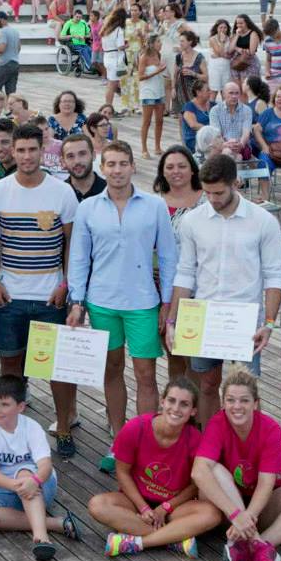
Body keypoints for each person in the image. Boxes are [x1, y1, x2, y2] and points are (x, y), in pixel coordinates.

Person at [68, 139, 177, 456]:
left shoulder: (154, 205)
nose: (117, 170)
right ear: (103, 168)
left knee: (146, 374)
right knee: (111, 370)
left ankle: (145, 442)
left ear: (132, 166)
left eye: (122, 163)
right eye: (111, 164)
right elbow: (79, 258)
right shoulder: (88, 208)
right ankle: (119, 441)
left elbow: (168, 257)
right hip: (101, 301)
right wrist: (77, 300)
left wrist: (167, 303)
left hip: (143, 302)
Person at [166, 152, 281, 427]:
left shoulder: (263, 220)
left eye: (219, 192)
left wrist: (269, 323)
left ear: (236, 183)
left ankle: (247, 451)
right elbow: (185, 272)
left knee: (246, 390)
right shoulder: (192, 221)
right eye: (207, 192)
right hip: (204, 315)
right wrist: (173, 320)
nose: (213, 199)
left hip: (246, 319)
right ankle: (210, 445)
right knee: (207, 385)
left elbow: (274, 276)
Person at [0, 123, 80, 451]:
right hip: (9, 294)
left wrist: (65, 283)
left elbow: (70, 243)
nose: (25, 156)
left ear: (42, 150)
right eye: (19, 150)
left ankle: (64, 426)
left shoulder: (62, 192)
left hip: (50, 295)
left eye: (31, 150)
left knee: (56, 367)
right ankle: (8, 429)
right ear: (13, 151)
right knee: (10, 363)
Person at [190, 365, 281, 561]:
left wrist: (248, 517)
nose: (237, 406)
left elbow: (266, 483)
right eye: (231, 400)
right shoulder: (217, 423)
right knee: (214, 468)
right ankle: (259, 548)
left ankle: (253, 546)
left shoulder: (270, 429)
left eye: (244, 400)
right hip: (225, 508)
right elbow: (198, 472)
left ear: (256, 403)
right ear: (223, 403)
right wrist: (235, 515)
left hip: (258, 508)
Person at [87, 378, 223, 556]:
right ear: (162, 402)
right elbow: (122, 472)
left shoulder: (195, 439)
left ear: (193, 411)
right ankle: (173, 538)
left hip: (172, 508)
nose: (175, 408)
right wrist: (143, 508)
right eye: (172, 401)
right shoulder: (136, 427)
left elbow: (194, 485)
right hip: (135, 502)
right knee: (97, 505)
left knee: (212, 514)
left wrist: (165, 508)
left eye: (184, 404)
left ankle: (138, 541)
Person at [0, 373, 78, 559]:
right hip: (5, 488)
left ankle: (41, 538)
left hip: (40, 484)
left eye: (5, 404)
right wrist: (18, 486)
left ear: (21, 407)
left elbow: (45, 465)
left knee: (23, 473)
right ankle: (54, 523)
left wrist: (33, 481)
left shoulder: (31, 427)